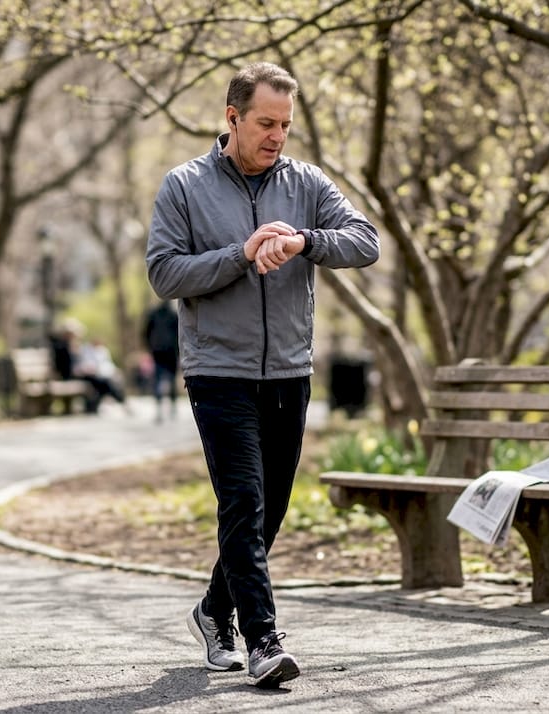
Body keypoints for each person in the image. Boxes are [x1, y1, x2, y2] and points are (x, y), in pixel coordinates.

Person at [145, 61, 379, 688]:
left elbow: (365, 240)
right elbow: (165, 273)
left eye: (285, 125)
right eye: (265, 123)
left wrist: (305, 240)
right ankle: (264, 641)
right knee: (243, 500)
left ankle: (212, 610)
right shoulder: (185, 186)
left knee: (269, 509)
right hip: (218, 370)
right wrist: (241, 254)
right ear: (232, 118)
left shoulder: (305, 183)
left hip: (289, 371)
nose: (277, 135)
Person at [142, 300, 180, 423]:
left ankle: (159, 409)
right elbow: (180, 333)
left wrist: (150, 347)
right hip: (171, 351)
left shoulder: (153, 314)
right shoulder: (174, 314)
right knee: (172, 379)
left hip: (157, 350)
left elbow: (145, 333)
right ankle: (172, 408)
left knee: (158, 379)